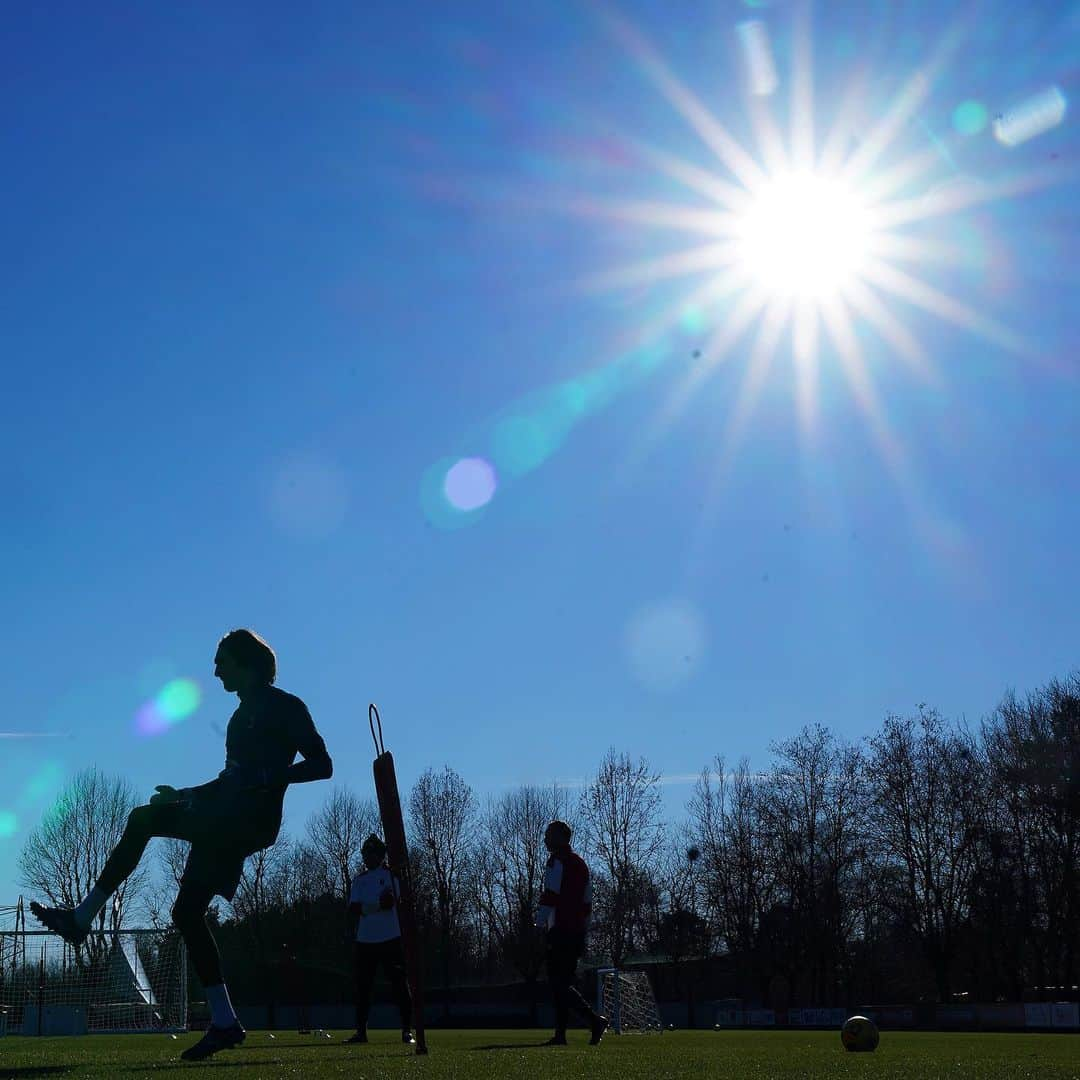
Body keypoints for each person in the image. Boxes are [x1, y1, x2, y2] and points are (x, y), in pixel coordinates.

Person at [30, 628, 332, 1061]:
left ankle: (82, 919)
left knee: (142, 820)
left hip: (249, 823)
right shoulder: (236, 719)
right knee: (185, 911)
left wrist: (267, 778)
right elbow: (228, 783)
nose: (214, 671)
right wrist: (186, 795)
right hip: (223, 819)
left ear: (245, 662)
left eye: (221, 661)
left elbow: (323, 764)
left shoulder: (286, 707)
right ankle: (225, 1022)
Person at [535, 820, 608, 1046]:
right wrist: (584, 929)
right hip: (576, 930)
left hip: (560, 930)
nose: (545, 839)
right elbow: (587, 902)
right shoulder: (580, 863)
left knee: (559, 984)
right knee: (562, 982)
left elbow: (551, 895)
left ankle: (592, 1021)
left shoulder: (557, 861)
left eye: (548, 834)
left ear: (559, 837)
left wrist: (539, 924)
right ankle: (564, 1033)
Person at [346, 833, 414, 1044]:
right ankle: (361, 1031)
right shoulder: (360, 881)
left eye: (371, 853)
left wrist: (370, 907)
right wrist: (375, 906)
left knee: (399, 984)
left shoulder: (391, 877)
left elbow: (391, 901)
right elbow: (354, 908)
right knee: (363, 987)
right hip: (365, 939)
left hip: (390, 937)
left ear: (380, 855)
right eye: (365, 854)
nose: (368, 858)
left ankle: (406, 1029)